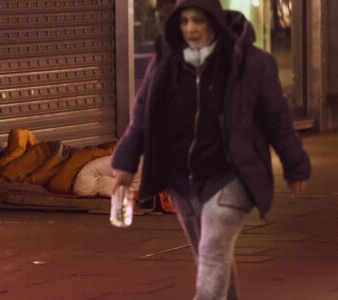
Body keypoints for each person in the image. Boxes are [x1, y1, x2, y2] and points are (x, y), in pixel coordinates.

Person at [111, 0, 311, 299]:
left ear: (214, 22)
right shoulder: (167, 61)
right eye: (185, 21)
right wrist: (125, 162)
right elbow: (142, 116)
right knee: (209, 254)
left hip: (232, 174)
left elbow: (277, 119)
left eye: (198, 21)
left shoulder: (252, 63)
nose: (191, 28)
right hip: (182, 179)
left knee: (212, 253)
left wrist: (295, 166)